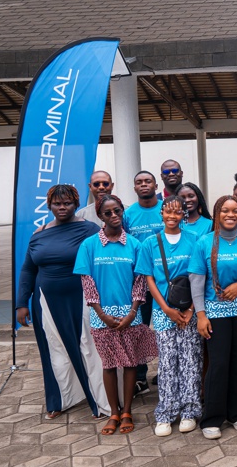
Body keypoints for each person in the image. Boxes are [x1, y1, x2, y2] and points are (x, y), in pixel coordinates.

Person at [17, 184, 107, 420]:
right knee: (55, 350)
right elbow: (28, 269)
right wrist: (21, 303)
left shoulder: (90, 230)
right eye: (57, 203)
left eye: (67, 203)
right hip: (47, 302)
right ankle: (61, 399)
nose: (62, 207)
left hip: (83, 299)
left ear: (76, 204)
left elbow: (103, 263)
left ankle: (100, 401)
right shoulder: (39, 234)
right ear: (49, 206)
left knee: (89, 349)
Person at [74, 194, 157, 435]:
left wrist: (132, 312)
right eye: (108, 212)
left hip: (130, 314)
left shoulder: (135, 245)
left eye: (117, 211)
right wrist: (102, 314)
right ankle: (113, 412)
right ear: (100, 216)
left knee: (130, 364)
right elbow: (87, 283)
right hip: (102, 316)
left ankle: (128, 411)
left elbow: (140, 282)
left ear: (123, 211)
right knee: (109, 365)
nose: (114, 216)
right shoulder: (89, 245)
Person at [189, 195, 237, 439]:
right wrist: (201, 315)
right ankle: (212, 417)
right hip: (215, 311)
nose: (231, 215)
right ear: (217, 214)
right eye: (225, 211)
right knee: (218, 364)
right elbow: (196, 282)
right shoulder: (204, 243)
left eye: (235, 211)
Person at [135, 197, 201, 437]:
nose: (172, 216)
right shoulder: (150, 243)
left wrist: (191, 309)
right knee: (167, 363)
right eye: (168, 211)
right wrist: (166, 309)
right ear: (161, 213)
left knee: (190, 362)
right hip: (163, 312)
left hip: (189, 311)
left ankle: (189, 411)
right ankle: (166, 413)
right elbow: (149, 279)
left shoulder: (194, 240)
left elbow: (198, 275)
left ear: (184, 214)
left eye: (177, 212)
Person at [122, 171, 164, 396]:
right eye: (139, 182)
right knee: (139, 329)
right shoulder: (128, 215)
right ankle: (140, 378)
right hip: (139, 282)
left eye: (148, 181)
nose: (144, 185)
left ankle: (167, 373)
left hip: (166, 281)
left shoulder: (166, 208)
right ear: (134, 188)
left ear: (156, 185)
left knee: (167, 329)